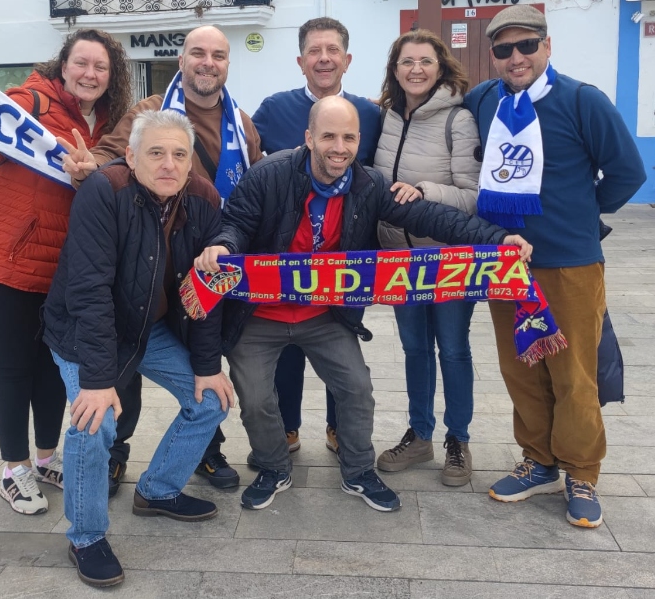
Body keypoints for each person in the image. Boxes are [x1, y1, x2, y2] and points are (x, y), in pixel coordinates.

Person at [194, 96, 533, 513]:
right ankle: (272, 466)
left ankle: (357, 471)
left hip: (324, 313)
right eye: (329, 136)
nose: (340, 147)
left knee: (357, 388)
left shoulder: (368, 183)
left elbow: (430, 217)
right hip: (261, 314)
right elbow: (238, 224)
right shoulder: (269, 174)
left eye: (349, 137)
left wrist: (496, 240)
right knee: (257, 398)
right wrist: (223, 246)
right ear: (308, 138)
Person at [463, 4, 646, 528]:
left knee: (573, 374)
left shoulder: (581, 100)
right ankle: (538, 460)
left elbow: (627, 172)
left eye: (526, 45)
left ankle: (581, 470)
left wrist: (583, 213)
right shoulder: (485, 101)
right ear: (493, 56)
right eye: (503, 49)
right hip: (504, 263)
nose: (515, 57)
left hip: (567, 261)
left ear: (547, 46)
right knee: (522, 368)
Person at [0, 29, 130, 516]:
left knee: (51, 367)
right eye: (81, 63)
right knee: (12, 364)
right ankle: (14, 469)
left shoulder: (109, 124)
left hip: (60, 271)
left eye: (101, 67)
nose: (90, 73)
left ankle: (46, 458)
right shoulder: (28, 103)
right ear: (62, 65)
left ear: (112, 77)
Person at [44, 110, 236, 588]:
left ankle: (158, 490)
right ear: (130, 157)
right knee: (95, 420)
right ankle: (85, 536)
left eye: (179, 154)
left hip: (150, 327)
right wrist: (96, 381)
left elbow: (206, 292)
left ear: (191, 161)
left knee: (210, 399)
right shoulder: (104, 191)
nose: (168, 164)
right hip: (84, 329)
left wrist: (208, 367)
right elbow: (88, 291)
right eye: (155, 152)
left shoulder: (205, 199)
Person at [94, 25, 262, 493]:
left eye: (218, 55)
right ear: (182, 60)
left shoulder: (242, 124)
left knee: (205, 359)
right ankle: (114, 452)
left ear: (228, 64)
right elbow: (111, 155)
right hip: (145, 261)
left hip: (208, 263)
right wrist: (88, 166)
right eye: (198, 53)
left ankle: (206, 450)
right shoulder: (149, 112)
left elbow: (253, 191)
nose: (208, 63)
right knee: (125, 361)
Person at [249, 17, 381, 458]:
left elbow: (377, 180)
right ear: (301, 60)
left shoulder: (371, 113)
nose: (324, 59)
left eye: (332, 50)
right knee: (286, 349)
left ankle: (339, 428)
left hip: (346, 259)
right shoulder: (273, 108)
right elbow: (252, 171)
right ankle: (287, 428)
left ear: (347, 59)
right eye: (314, 51)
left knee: (339, 338)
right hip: (286, 263)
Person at [370, 29, 482, 488]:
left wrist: (424, 194)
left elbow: (474, 196)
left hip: (448, 259)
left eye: (425, 61)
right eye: (406, 61)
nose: (415, 69)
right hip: (399, 257)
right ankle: (420, 434)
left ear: (441, 68)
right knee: (414, 349)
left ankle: (458, 439)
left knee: (452, 349)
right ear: (395, 70)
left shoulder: (459, 119)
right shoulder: (386, 117)